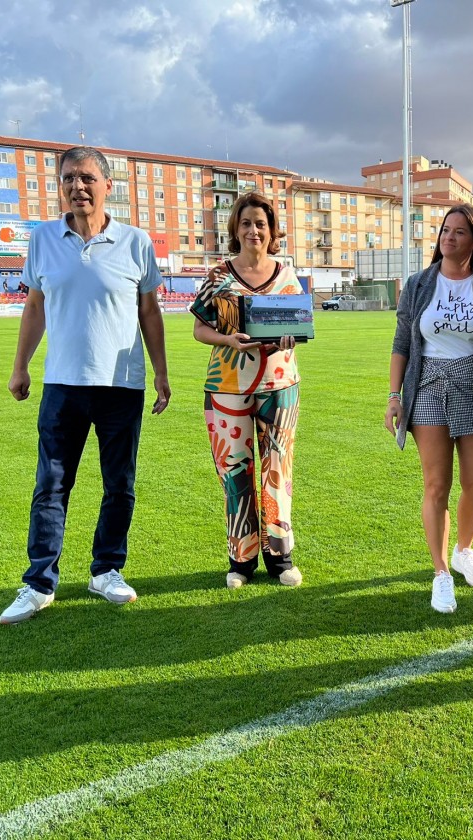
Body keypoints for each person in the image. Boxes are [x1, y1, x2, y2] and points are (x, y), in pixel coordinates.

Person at [0, 146, 170, 625]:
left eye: (87, 178)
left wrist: (160, 372)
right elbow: (34, 308)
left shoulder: (136, 242)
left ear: (106, 186)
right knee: (50, 485)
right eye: (69, 178)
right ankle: (38, 583)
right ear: (60, 186)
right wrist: (20, 367)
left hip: (121, 384)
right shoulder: (42, 240)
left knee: (120, 484)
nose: (78, 186)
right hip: (62, 385)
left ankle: (106, 570)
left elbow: (149, 312)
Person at [385, 204, 473, 613]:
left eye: (459, 232)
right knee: (436, 485)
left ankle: (463, 550)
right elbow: (402, 342)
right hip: (426, 388)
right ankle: (441, 573)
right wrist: (393, 395)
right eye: (445, 230)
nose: (449, 237)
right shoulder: (420, 283)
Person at [190, 192, 304, 589]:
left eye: (261, 223)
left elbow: (298, 324)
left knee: (277, 470)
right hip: (227, 387)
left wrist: (291, 338)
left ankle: (280, 557)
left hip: (280, 386)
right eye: (245, 223)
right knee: (234, 473)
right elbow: (199, 328)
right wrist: (228, 341)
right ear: (234, 230)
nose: (253, 230)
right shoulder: (218, 276)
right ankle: (240, 560)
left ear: (271, 231)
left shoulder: (287, 275)